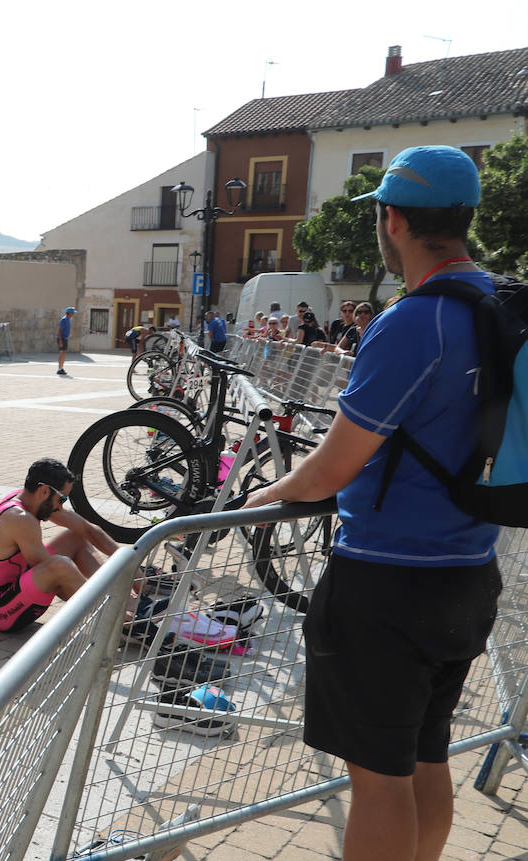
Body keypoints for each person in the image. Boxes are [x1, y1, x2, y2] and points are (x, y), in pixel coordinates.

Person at [245, 145, 500, 861]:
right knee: (427, 757)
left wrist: (265, 497)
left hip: (388, 583)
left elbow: (332, 466)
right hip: (471, 572)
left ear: (392, 220)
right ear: (465, 217)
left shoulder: (415, 322)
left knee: (380, 781)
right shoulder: (498, 305)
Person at [0, 458, 118, 633]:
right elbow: (62, 579)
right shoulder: (20, 518)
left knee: (75, 538)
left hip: (9, 591)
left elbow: (85, 529)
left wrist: (132, 565)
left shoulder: (26, 499)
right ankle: (120, 619)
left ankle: (126, 601)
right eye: (62, 500)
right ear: (44, 491)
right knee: (60, 566)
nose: (61, 509)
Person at [55, 306, 75, 375]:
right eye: (73, 313)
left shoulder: (68, 319)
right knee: (62, 353)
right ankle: (59, 369)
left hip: (65, 338)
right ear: (69, 313)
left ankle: (61, 368)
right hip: (62, 338)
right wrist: (60, 341)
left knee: (64, 353)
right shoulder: (64, 320)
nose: (73, 314)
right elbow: (60, 331)